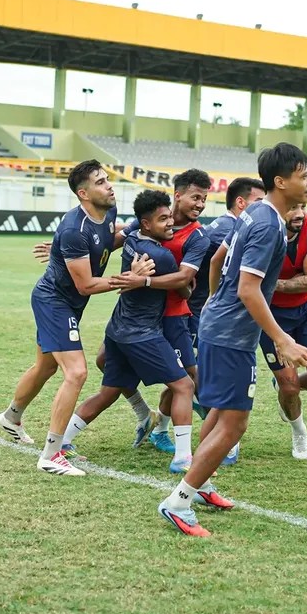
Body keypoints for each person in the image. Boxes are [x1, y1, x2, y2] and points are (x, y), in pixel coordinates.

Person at [159, 142, 307, 538]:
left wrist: (215, 303)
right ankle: (178, 502)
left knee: (220, 413)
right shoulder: (268, 224)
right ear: (281, 181)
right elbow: (248, 289)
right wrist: (281, 339)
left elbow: (217, 261)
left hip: (224, 328)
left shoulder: (255, 213)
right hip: (231, 335)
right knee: (234, 424)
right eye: (303, 175)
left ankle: (202, 484)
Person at [0, 159, 153, 476]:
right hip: (55, 302)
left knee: (46, 366)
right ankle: (51, 454)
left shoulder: (108, 211)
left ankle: (10, 417)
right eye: (100, 182)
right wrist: (130, 279)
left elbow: (106, 242)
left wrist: (131, 233)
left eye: (107, 179)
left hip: (68, 302)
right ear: (83, 193)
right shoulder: (73, 230)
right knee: (77, 372)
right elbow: (86, 285)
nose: (109, 185)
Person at [61, 190, 195, 472]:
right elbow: (182, 289)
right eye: (163, 219)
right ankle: (183, 458)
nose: (170, 222)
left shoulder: (133, 239)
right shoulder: (161, 255)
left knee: (108, 392)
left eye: (169, 217)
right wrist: (185, 285)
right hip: (142, 333)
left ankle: (62, 441)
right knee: (184, 386)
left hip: (117, 331)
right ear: (146, 223)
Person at [190, 177, 265, 465]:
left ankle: (166, 428)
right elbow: (217, 264)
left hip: (209, 312)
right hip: (218, 316)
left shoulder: (231, 225)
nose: (264, 206)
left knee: (189, 379)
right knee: (210, 387)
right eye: (259, 201)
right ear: (241, 202)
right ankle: (221, 445)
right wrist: (212, 296)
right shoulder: (233, 226)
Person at [144, 170, 211, 466]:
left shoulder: (198, 236)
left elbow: (184, 278)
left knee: (187, 377)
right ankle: (144, 416)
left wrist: (143, 281)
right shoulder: (155, 217)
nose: (200, 204)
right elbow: (119, 236)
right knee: (105, 362)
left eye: (204, 199)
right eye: (196, 197)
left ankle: (166, 430)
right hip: (139, 314)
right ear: (178, 195)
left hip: (176, 315)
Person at [259, 203, 307, 459]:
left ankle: (281, 384)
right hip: (272, 316)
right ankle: (299, 433)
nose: (299, 213)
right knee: (290, 388)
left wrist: (269, 283)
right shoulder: (262, 229)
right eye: (292, 208)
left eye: (302, 206)